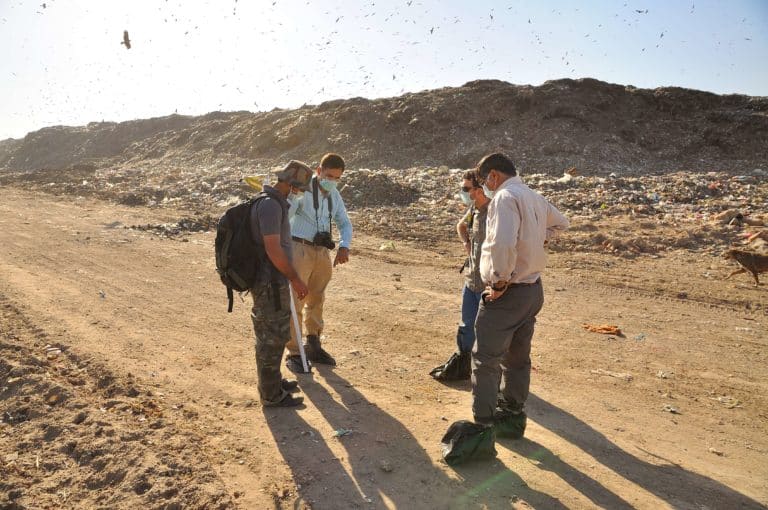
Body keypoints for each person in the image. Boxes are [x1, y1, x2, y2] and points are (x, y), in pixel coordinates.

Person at [471, 153, 569, 435]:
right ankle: (512, 416)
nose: (486, 187)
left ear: (493, 176)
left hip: (509, 293)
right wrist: (538, 239)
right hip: (532, 290)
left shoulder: (504, 198)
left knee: (486, 360)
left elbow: (502, 244)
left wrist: (499, 282)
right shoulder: (534, 197)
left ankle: (484, 427)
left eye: (485, 181)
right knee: (517, 359)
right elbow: (562, 223)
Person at [249, 160, 313, 407]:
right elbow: (273, 249)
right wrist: (295, 278)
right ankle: (271, 395)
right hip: (269, 282)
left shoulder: (273, 203)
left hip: (273, 280)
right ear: (289, 184)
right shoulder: (270, 207)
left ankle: (273, 382)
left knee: (276, 333)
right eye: (297, 187)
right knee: (271, 337)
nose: (298, 192)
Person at [284, 153, 353, 373]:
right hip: (300, 248)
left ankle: (312, 342)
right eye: (328, 175)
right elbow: (287, 215)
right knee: (295, 301)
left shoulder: (334, 195)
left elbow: (344, 222)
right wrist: (294, 197)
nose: (331, 181)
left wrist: (344, 245)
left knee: (317, 297)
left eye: (336, 178)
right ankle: (294, 352)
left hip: (322, 251)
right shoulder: (303, 189)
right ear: (318, 170)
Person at [430, 170, 490, 381]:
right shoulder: (475, 209)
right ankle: (464, 364)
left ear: (480, 189)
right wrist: (467, 243)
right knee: (466, 326)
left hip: (490, 284)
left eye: (466, 189)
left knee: (489, 331)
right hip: (472, 280)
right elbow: (461, 225)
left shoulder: (496, 212)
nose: (463, 192)